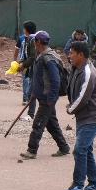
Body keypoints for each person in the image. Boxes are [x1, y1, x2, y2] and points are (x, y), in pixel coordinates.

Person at [63, 41, 96, 190]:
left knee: (79, 150)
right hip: (83, 117)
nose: (69, 55)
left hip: (92, 118)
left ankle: (78, 184)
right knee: (86, 149)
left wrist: (70, 108)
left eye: (72, 53)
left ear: (81, 55)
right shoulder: (76, 68)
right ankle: (95, 184)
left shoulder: (88, 72)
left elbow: (83, 98)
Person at [20, 31, 70, 160]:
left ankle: (32, 150)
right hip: (44, 96)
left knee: (38, 123)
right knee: (51, 123)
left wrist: (51, 99)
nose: (33, 44)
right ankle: (64, 147)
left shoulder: (48, 58)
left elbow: (55, 80)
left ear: (38, 42)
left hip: (47, 98)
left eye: (34, 41)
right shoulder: (42, 55)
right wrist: (35, 93)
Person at [18, 21, 38, 121]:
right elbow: (26, 55)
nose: (23, 30)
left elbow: (33, 57)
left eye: (24, 28)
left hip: (37, 69)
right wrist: (21, 62)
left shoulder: (33, 39)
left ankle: (31, 115)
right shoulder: (28, 39)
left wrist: (23, 65)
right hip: (33, 69)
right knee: (32, 92)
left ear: (26, 30)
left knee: (32, 92)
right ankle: (31, 115)